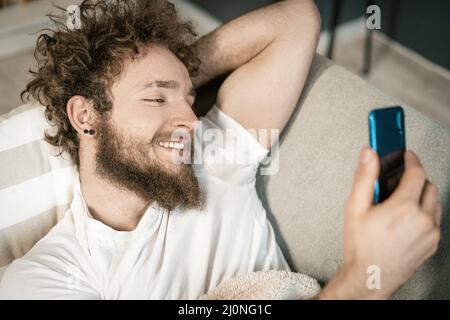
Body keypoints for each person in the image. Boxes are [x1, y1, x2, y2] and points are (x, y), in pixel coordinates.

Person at [0, 0, 441, 299]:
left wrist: (173, 72)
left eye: (190, 100)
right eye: (155, 99)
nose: (192, 121)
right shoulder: (53, 274)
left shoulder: (217, 157)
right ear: (86, 117)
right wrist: (368, 277)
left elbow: (296, 18)